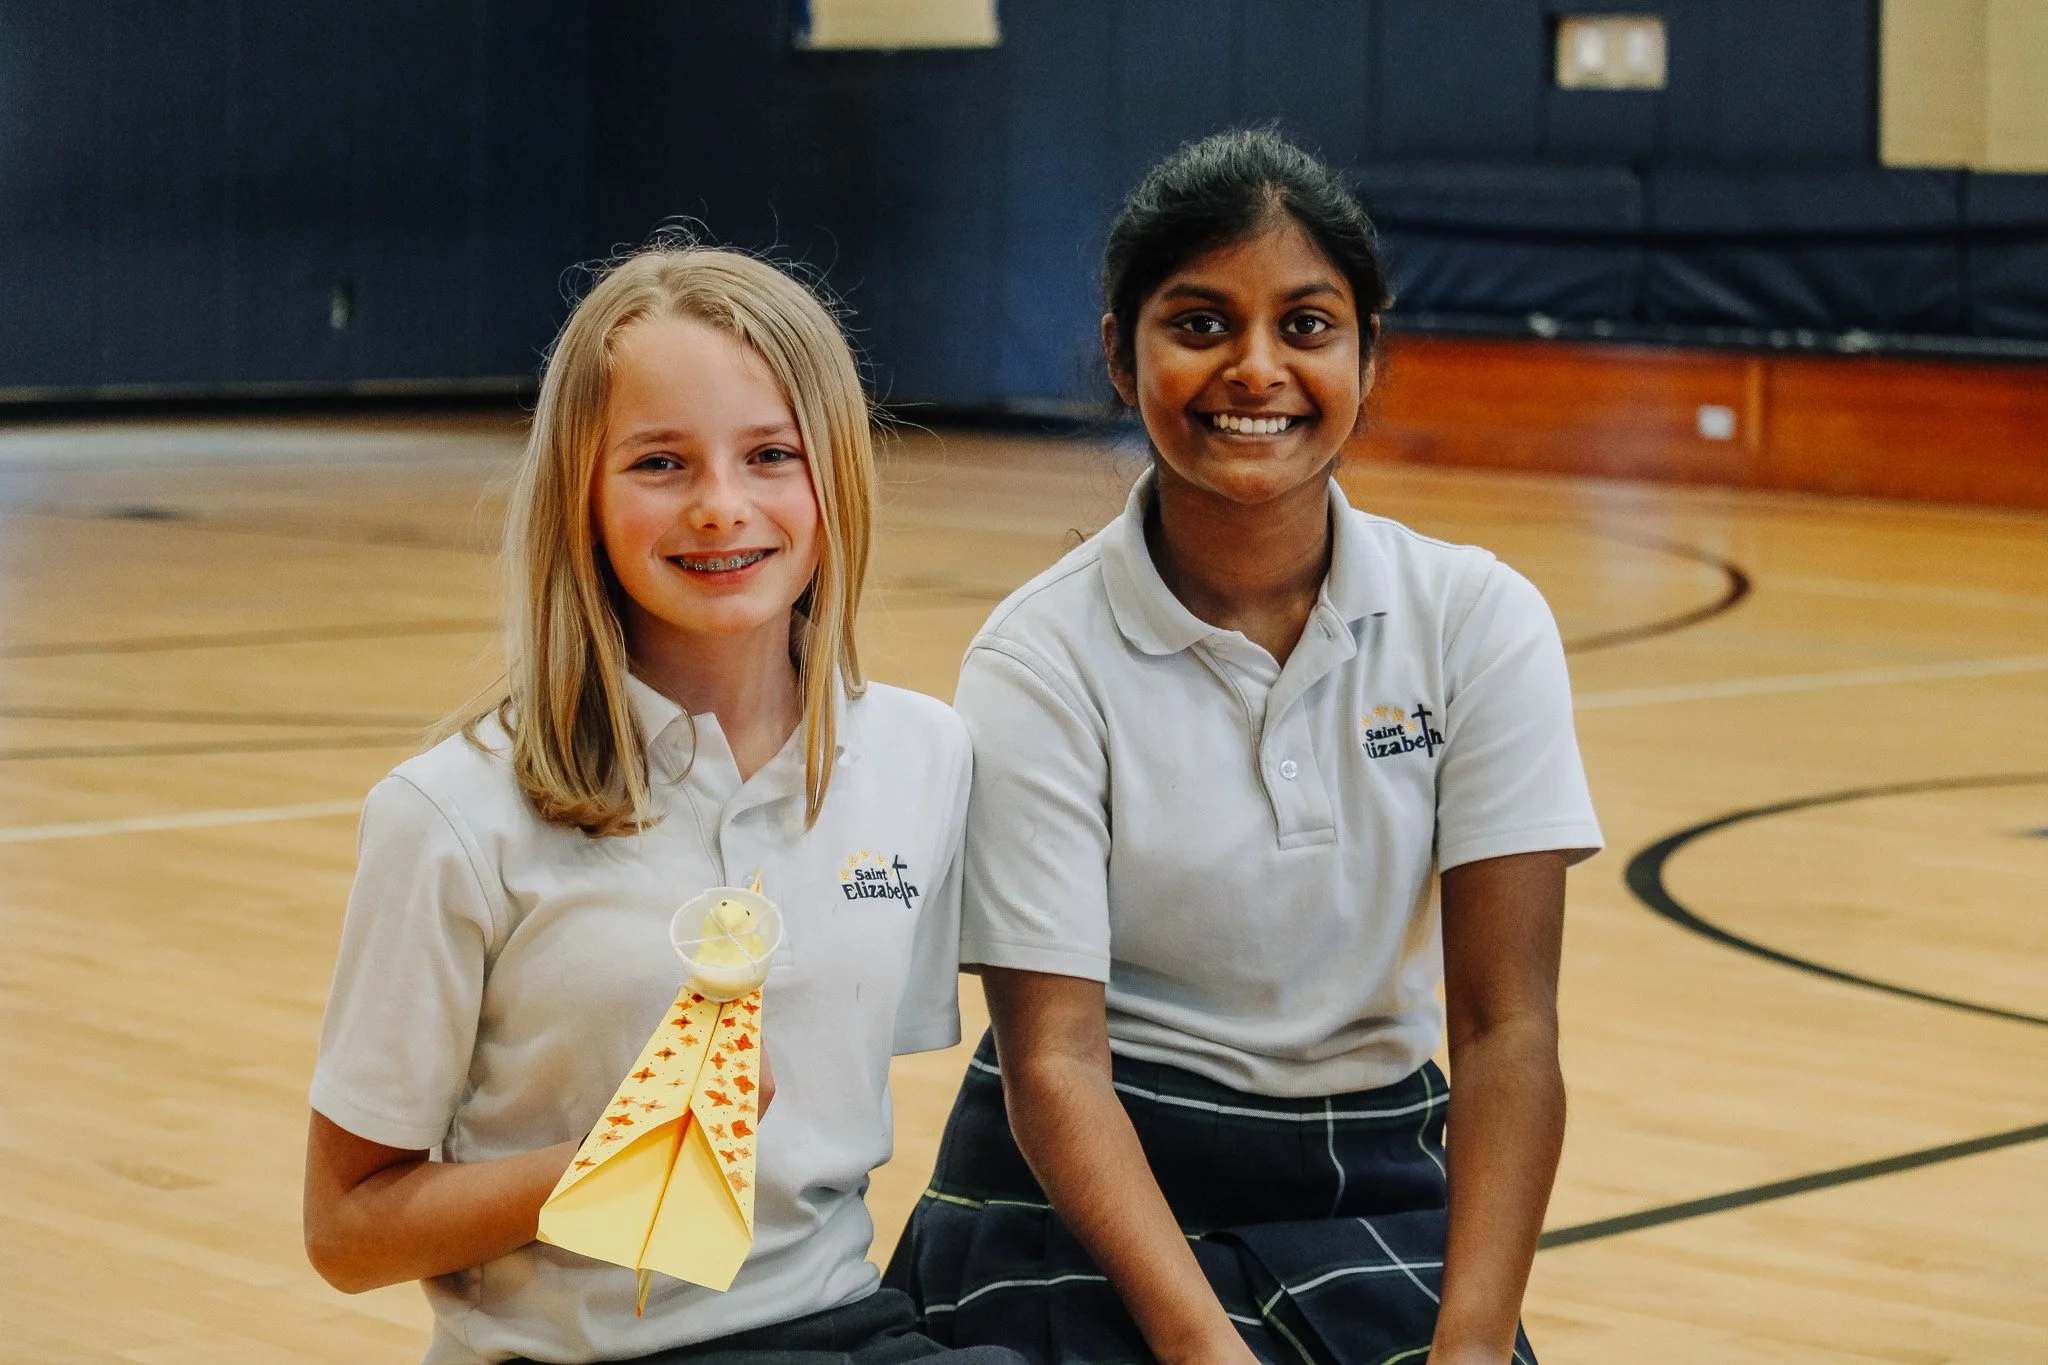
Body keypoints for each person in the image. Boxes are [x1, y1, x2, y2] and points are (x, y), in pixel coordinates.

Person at [886, 130, 1603, 1365]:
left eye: (1307, 326)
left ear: (1369, 356)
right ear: (1122, 354)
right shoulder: (1036, 659)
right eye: (1201, 323)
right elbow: (1054, 1062)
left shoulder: (1477, 620)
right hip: (1091, 1176)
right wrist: (1205, 1351)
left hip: (1372, 1169)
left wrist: (1475, 1345)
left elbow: (1505, 1031)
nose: (1254, 369)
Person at [304, 245, 1021, 1365]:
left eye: (771, 455)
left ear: (835, 476)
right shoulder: (449, 815)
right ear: (581, 497)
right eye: (658, 463)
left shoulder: (924, 757)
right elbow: (346, 1233)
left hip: (842, 1325)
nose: (720, 508)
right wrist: (610, 1164)